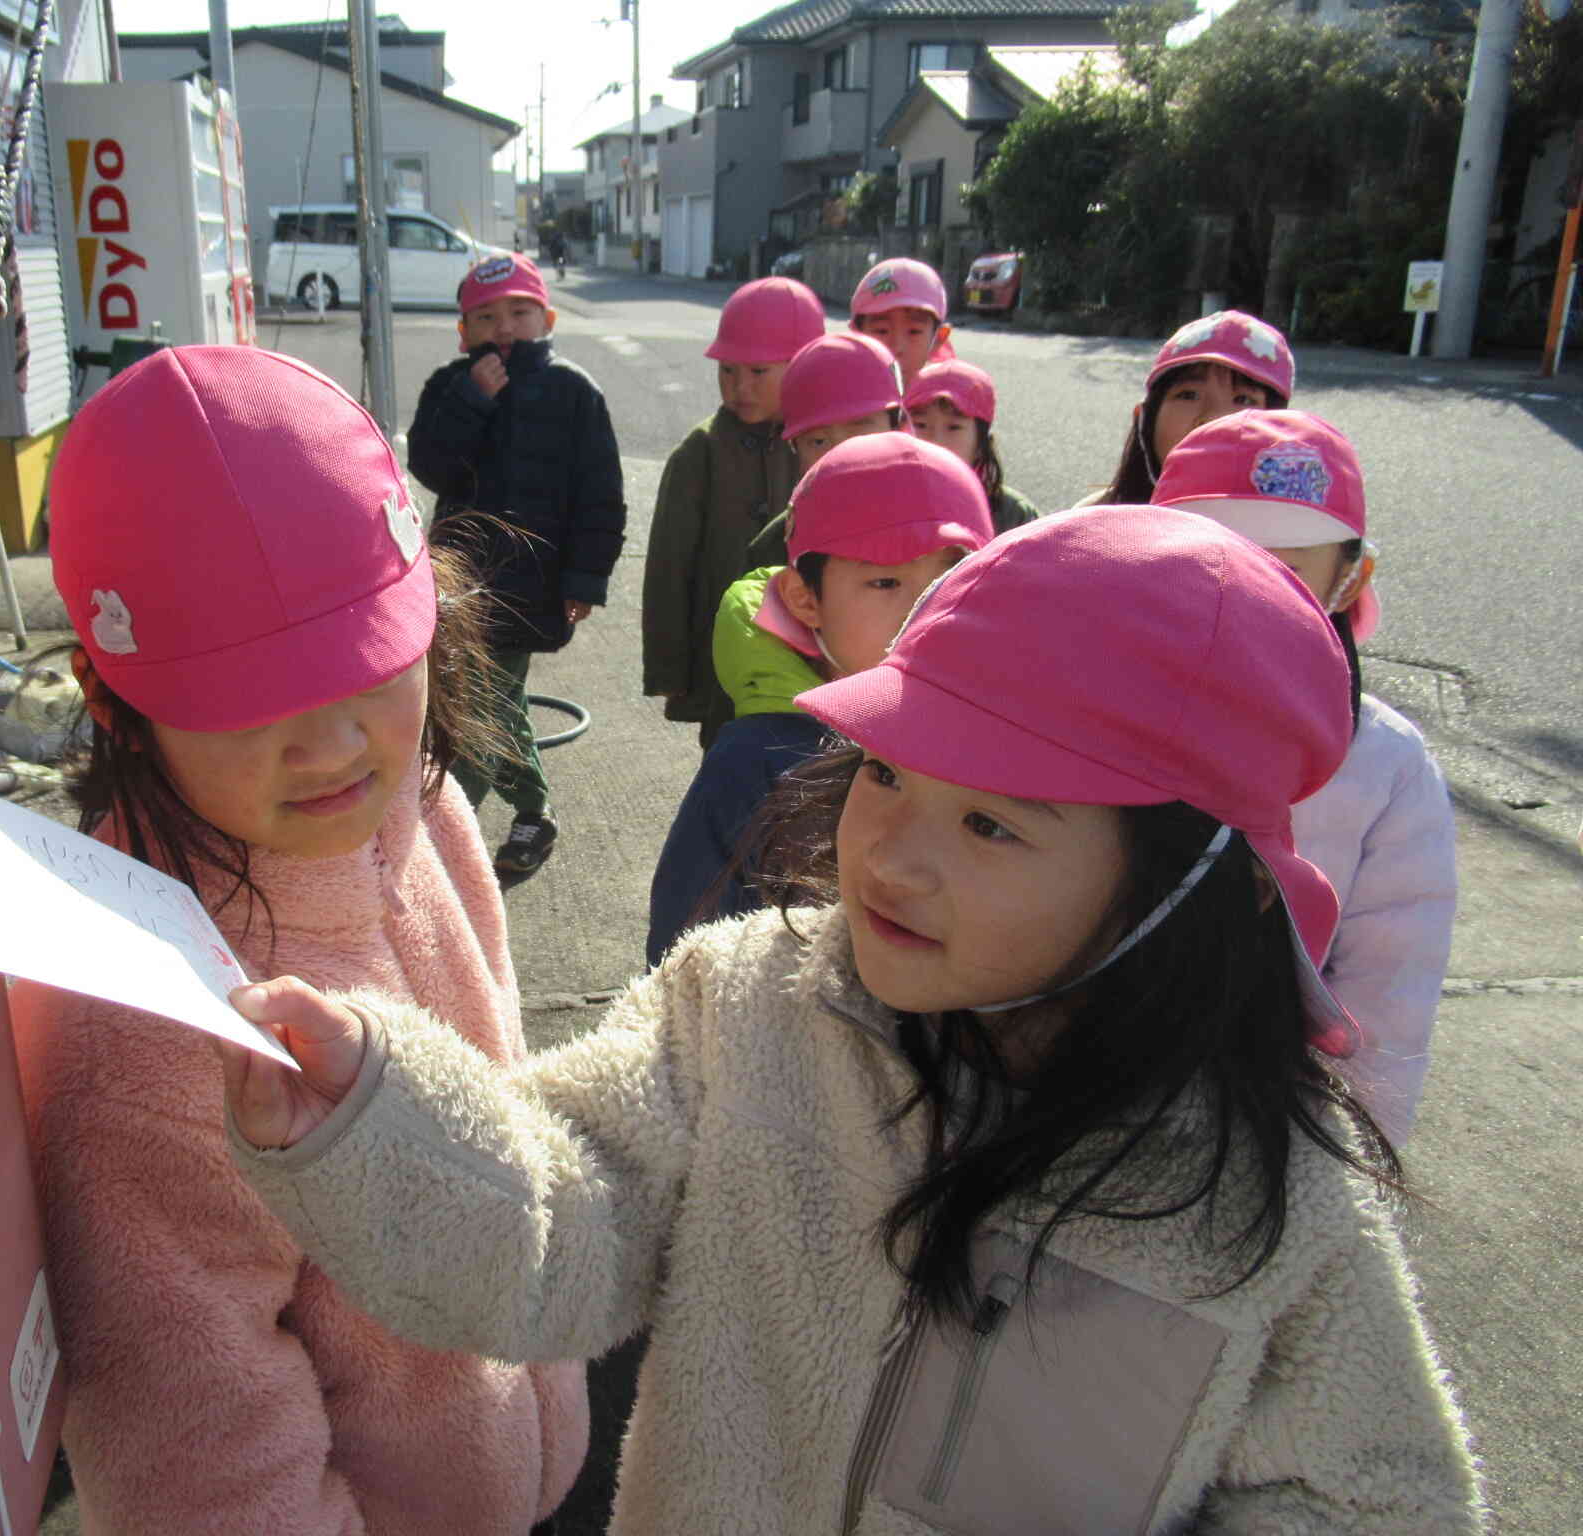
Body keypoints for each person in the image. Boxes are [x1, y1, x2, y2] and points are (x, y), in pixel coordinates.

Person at [215, 507, 1485, 1536]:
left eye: (990, 823)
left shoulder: (1264, 1200)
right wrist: (375, 1122)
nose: (888, 856)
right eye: (885, 771)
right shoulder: (744, 1009)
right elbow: (565, 1218)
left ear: (1182, 882)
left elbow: (1375, 1496)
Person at [13, 345, 589, 1535]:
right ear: (113, 699)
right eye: (242, 696)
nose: (331, 746)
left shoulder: (418, 806)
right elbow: (200, 1450)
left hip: (524, 1450)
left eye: (366, 661)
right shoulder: (154, 1021)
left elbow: (507, 1085)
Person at [1153, 409, 1455, 1145]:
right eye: (1213, 564)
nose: (1244, 601)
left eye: (1286, 575)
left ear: (1350, 580)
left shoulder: (1388, 768)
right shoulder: (1078, 706)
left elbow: (1386, 1008)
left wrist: (1347, 1173)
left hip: (1261, 1134)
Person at [647, 433, 993, 964]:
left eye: (952, 577)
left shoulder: (1002, 738)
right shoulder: (757, 757)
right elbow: (688, 949)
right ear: (804, 598)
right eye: (884, 582)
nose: (925, 608)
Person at [409, 251, 626, 875]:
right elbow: (433, 466)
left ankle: (457, 833)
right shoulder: (449, 387)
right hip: (461, 581)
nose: (503, 328)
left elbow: (599, 495)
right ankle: (530, 810)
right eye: (485, 316)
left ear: (547, 317)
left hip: (535, 582)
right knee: (489, 700)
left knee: (483, 706)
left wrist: (586, 579)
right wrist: (471, 401)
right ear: (463, 331)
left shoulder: (574, 391)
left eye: (519, 312)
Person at [642, 275, 826, 746]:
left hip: (817, 656)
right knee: (728, 759)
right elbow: (669, 566)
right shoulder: (700, 452)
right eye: (727, 370)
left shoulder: (828, 444)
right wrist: (670, 667)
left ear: (807, 365)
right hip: (725, 655)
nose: (739, 386)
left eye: (758, 372)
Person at [1092, 309, 1294, 504]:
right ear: (1145, 419)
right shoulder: (1092, 525)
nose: (1214, 418)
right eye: (1189, 395)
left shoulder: (1308, 532)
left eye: (1244, 400)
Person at [903, 358, 1039, 535]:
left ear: (981, 444)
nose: (935, 441)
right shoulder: (886, 501)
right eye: (920, 425)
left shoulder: (1014, 515)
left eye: (953, 427)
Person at [780, 329, 909, 473]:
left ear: (897, 426)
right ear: (795, 448)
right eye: (819, 442)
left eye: (859, 439)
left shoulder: (929, 490)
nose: (842, 461)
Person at [849, 255, 954, 386]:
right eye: (881, 331)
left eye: (914, 331)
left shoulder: (946, 402)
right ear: (857, 336)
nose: (897, 347)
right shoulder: (841, 395)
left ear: (938, 338)